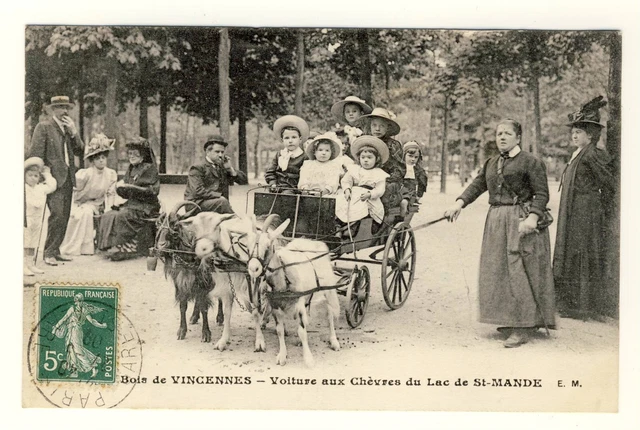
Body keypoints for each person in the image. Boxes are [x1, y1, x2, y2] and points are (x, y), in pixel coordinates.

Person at [444, 119, 556, 348]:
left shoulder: (530, 162)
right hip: (495, 220)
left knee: (518, 270)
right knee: (498, 269)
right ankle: (508, 319)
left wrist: (533, 217)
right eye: (498, 134)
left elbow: (542, 194)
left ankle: (523, 326)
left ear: (518, 137)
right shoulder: (492, 162)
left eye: (507, 133)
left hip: (519, 220)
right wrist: (459, 203)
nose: (501, 137)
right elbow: (477, 185)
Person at [553, 96, 615, 321]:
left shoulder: (592, 154)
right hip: (573, 211)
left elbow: (609, 182)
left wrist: (596, 204)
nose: (574, 134)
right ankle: (569, 303)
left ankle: (583, 306)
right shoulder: (578, 154)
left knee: (582, 252)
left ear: (591, 135)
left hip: (586, 212)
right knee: (571, 251)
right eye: (573, 131)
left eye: (579, 131)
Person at [27, 96, 85, 266]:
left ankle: (55, 250)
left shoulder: (68, 130)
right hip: (52, 179)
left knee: (65, 216)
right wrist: (43, 176)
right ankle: (48, 253)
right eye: (59, 107)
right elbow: (36, 154)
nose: (64, 111)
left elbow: (80, 151)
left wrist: (74, 132)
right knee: (57, 215)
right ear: (52, 110)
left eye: (66, 107)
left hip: (67, 179)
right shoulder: (44, 127)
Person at [98, 137, 160, 260]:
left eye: (135, 154)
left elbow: (153, 191)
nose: (131, 156)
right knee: (109, 214)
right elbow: (126, 193)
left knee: (121, 216)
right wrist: (121, 189)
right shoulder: (131, 168)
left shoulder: (149, 168)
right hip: (132, 204)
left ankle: (125, 248)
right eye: (130, 153)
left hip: (146, 207)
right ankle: (110, 246)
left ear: (143, 155)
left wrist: (132, 188)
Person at [59, 134, 117, 256]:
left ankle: (100, 244)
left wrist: (109, 208)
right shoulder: (85, 174)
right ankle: (81, 247)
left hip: (98, 204)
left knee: (104, 213)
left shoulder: (111, 174)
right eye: (97, 158)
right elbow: (74, 191)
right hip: (81, 203)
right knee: (84, 213)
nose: (101, 160)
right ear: (92, 160)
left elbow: (111, 193)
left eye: (103, 157)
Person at [356, 107, 405, 210]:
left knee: (384, 190)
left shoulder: (393, 145)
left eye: (382, 126)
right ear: (370, 126)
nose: (377, 129)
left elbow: (399, 169)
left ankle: (382, 221)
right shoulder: (365, 141)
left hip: (387, 179)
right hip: (366, 176)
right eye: (374, 125)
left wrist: (381, 179)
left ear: (387, 128)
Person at [184, 135, 248, 214]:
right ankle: (235, 219)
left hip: (217, 203)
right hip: (196, 205)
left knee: (222, 202)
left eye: (222, 152)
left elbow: (244, 181)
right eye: (217, 152)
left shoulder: (222, 166)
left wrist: (230, 169)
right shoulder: (198, 167)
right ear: (208, 152)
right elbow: (198, 191)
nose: (220, 155)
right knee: (222, 202)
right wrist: (219, 195)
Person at [335, 136, 390, 226]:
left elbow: (380, 189)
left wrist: (370, 194)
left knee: (361, 209)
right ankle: (339, 226)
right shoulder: (355, 169)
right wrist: (347, 189)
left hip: (367, 197)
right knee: (340, 203)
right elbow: (346, 181)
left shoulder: (379, 173)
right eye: (363, 157)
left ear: (376, 159)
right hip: (353, 194)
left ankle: (354, 228)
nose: (365, 160)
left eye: (369, 157)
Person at [51, 293, 107, 378]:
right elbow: (65, 318)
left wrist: (102, 325)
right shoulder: (72, 309)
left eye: (79, 301)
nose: (78, 302)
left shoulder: (84, 310)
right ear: (75, 301)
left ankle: (93, 367)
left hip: (77, 331)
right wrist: (56, 327)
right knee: (71, 350)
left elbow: (92, 321)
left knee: (78, 351)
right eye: (77, 301)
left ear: (82, 301)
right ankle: (75, 371)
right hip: (71, 330)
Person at [24, 157, 57, 276]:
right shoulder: (23, 188)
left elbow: (52, 186)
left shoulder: (40, 188)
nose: (33, 178)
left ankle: (31, 264)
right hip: (26, 218)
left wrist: (47, 174)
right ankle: (23, 265)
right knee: (26, 241)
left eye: (36, 176)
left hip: (37, 219)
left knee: (34, 241)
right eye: (30, 175)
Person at [265, 115, 309, 191]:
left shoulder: (304, 157)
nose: (290, 141)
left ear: (300, 139)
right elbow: (270, 172)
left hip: (294, 189)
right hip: (277, 187)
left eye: (294, 137)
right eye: (287, 138)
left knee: (287, 195)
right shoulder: (280, 154)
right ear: (282, 140)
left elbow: (307, 176)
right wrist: (273, 183)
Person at [400, 141, 428, 217]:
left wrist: (419, 195)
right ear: (404, 155)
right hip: (398, 191)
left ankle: (402, 217)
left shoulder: (418, 170)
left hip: (410, 193)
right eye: (410, 156)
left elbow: (422, 183)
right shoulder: (400, 167)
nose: (413, 159)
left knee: (404, 201)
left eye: (416, 157)